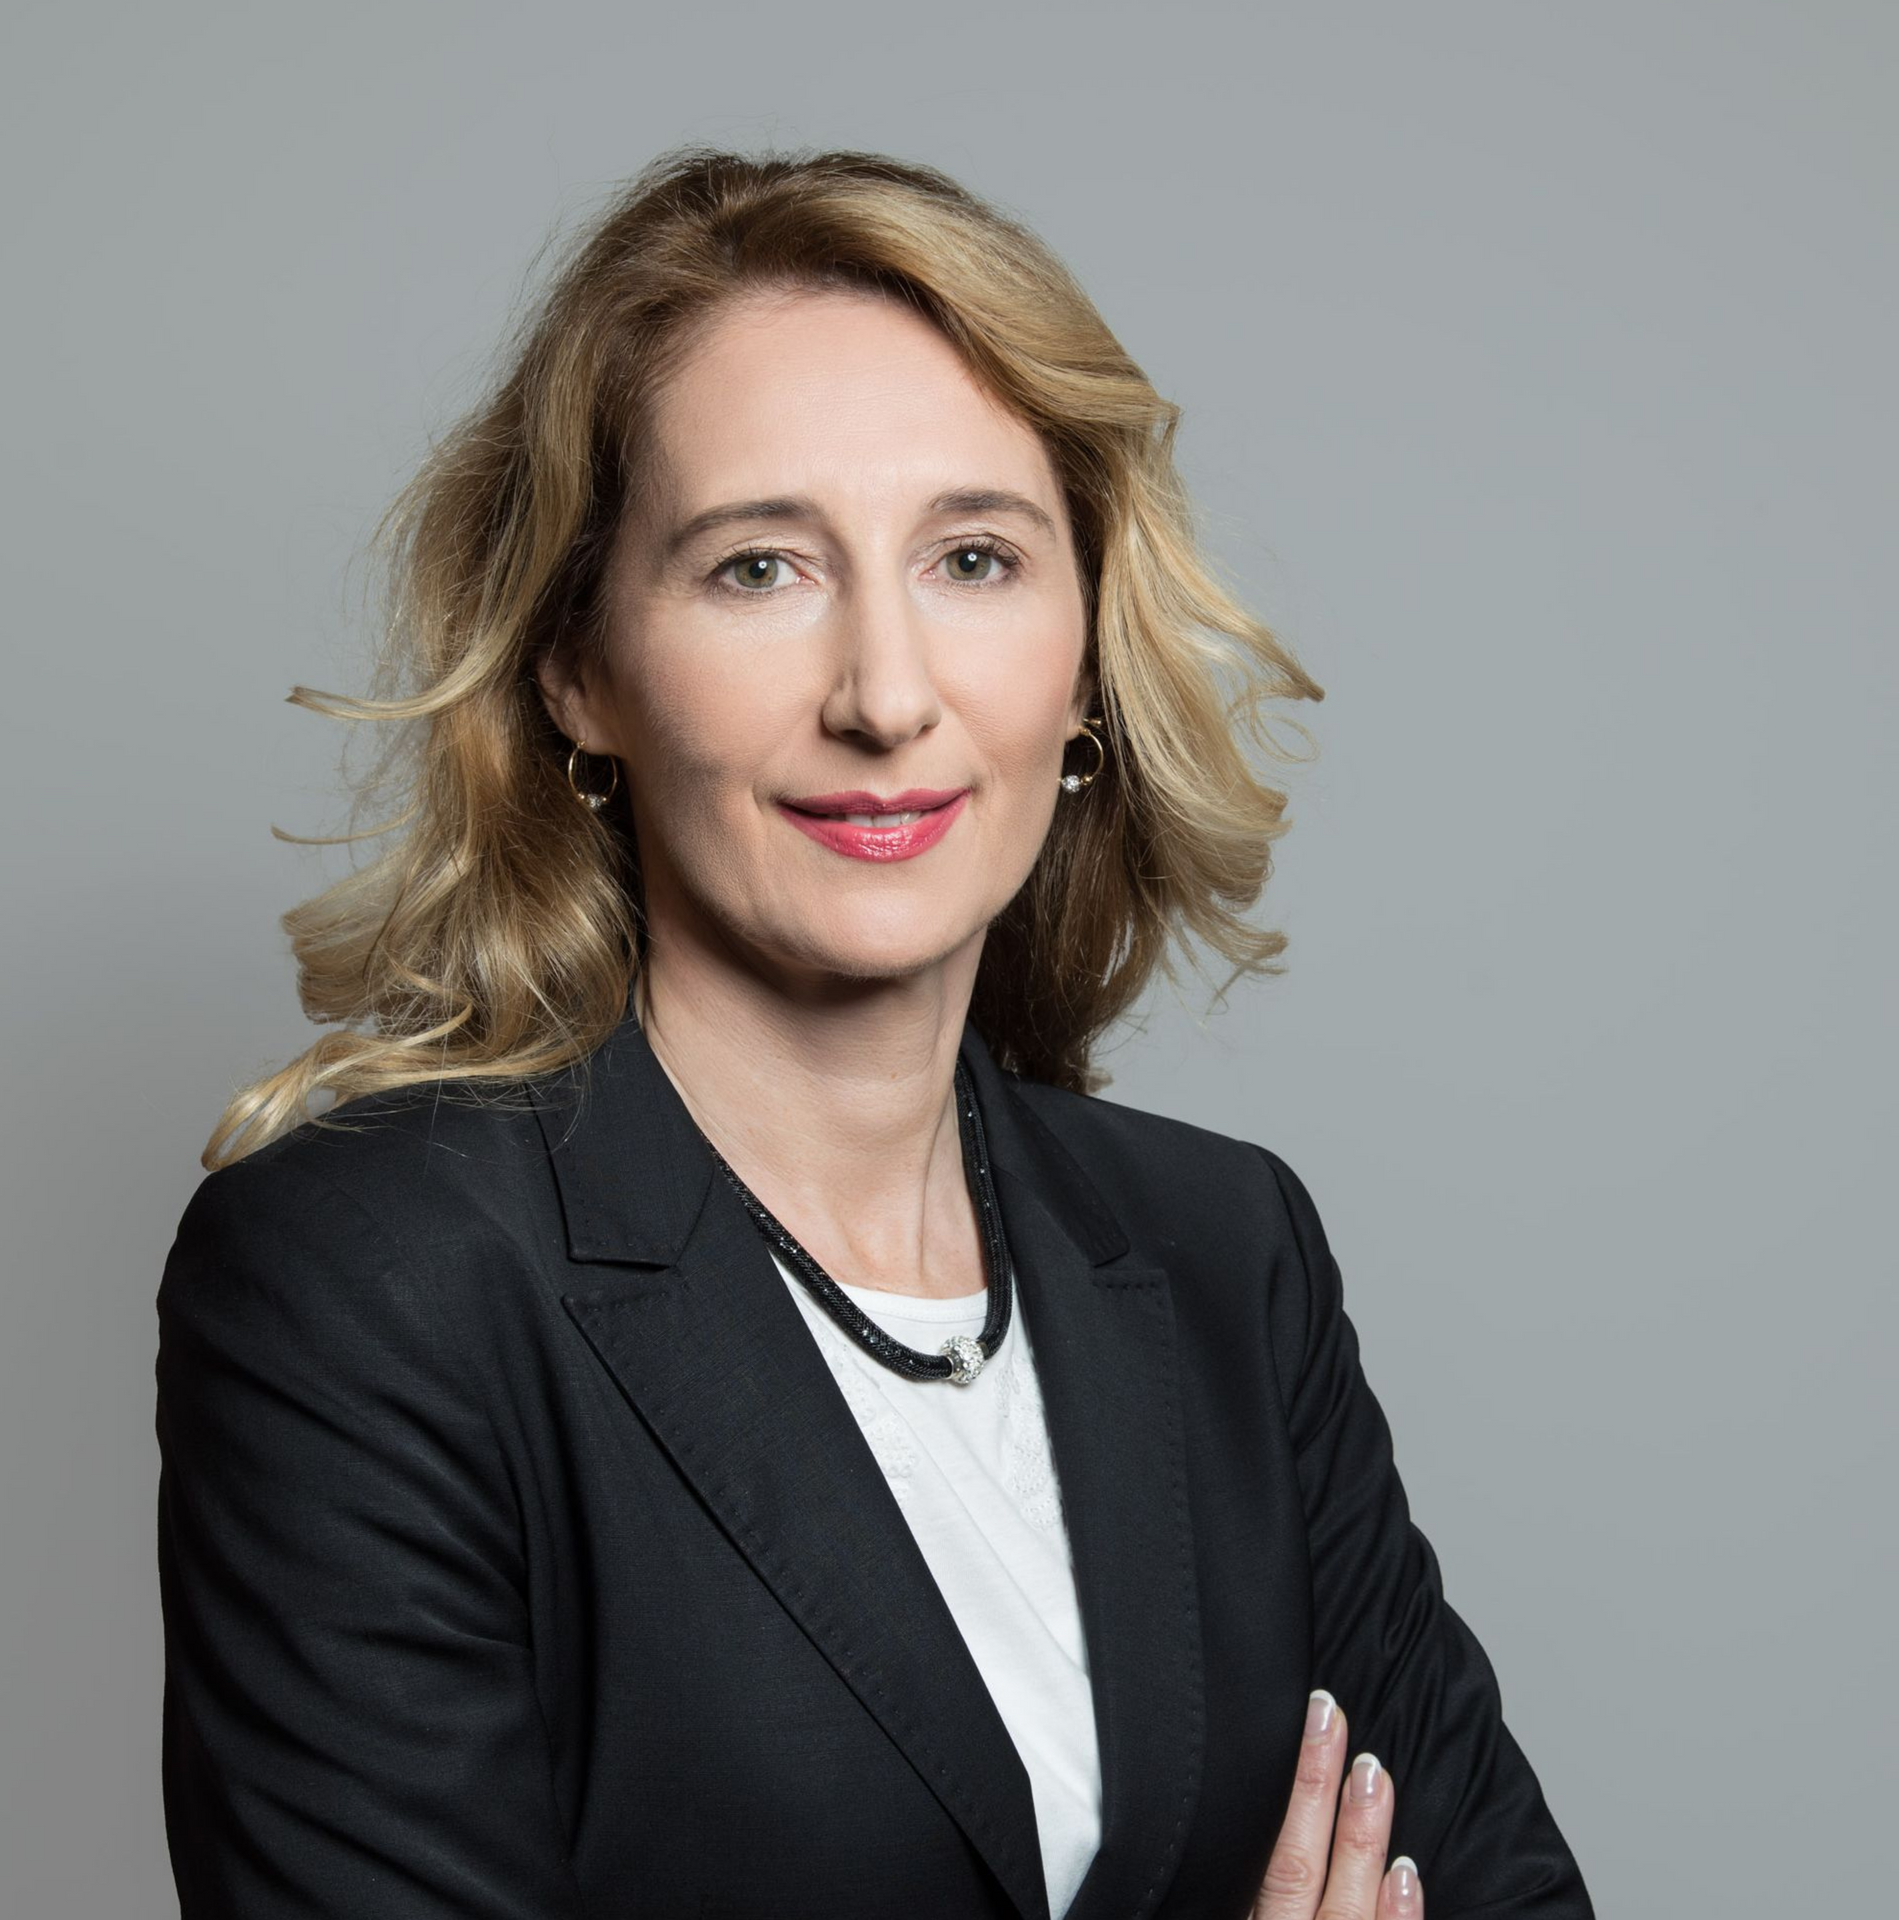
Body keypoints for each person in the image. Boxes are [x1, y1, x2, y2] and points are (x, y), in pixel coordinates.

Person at [154, 146, 1594, 1920]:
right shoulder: (376, 1280)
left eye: (974, 558)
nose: (888, 696)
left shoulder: (1227, 1252)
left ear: (1085, 652)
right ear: (578, 667)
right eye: (760, 568)